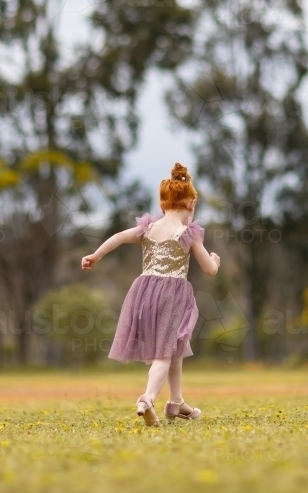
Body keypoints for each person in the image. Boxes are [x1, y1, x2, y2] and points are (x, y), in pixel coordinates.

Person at [81, 162, 220, 427]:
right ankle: (147, 399)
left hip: (144, 293)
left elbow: (120, 236)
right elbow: (210, 270)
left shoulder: (149, 228)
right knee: (163, 354)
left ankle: (176, 402)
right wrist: (215, 259)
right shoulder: (189, 234)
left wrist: (96, 255)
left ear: (161, 205)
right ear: (191, 204)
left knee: (174, 347)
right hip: (172, 295)